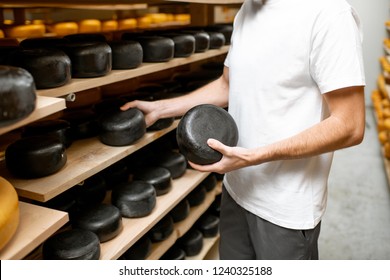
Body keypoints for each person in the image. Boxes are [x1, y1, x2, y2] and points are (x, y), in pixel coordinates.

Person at [121, 0, 365, 260]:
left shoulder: (330, 14)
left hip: (285, 208)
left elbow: (349, 125)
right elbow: (228, 84)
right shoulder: (248, 9)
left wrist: (255, 156)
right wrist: (162, 108)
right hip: (236, 190)